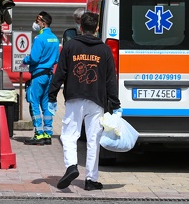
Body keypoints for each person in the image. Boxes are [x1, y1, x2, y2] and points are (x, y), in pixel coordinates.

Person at [48, 12, 121, 191]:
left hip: (74, 98)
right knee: (93, 139)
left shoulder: (70, 46)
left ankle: (72, 166)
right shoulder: (104, 50)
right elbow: (111, 78)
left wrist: (52, 95)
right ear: (97, 28)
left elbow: (60, 73)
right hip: (96, 100)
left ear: (80, 27)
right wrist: (115, 104)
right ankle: (91, 179)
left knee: (69, 135)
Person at [22, 11, 60, 145]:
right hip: (49, 76)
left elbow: (34, 58)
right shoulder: (55, 38)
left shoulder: (39, 38)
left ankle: (38, 133)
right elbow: (56, 59)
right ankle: (48, 134)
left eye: (37, 22)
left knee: (34, 103)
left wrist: (25, 60)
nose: (36, 24)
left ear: (43, 23)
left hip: (38, 76)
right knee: (46, 105)